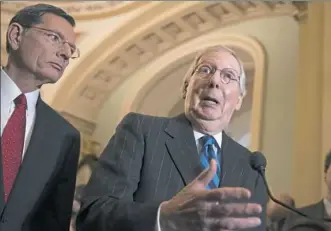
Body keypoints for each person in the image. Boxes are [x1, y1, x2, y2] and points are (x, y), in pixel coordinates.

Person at [76, 45, 268, 231]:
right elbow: (93, 215)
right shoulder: (141, 130)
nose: (215, 81)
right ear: (186, 88)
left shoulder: (251, 166)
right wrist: (162, 217)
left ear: (239, 100)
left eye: (228, 76)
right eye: (205, 70)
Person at [0, 3, 81, 231]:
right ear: (16, 35)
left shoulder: (65, 136)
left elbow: (52, 222)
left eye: (71, 48)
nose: (65, 53)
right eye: (55, 38)